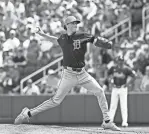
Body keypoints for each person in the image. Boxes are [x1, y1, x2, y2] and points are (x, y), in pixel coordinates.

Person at [14, 16, 120, 131]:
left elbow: (94, 39)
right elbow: (55, 40)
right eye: (73, 23)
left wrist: (103, 42)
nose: (76, 25)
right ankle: (27, 113)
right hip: (68, 74)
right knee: (56, 101)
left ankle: (107, 121)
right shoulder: (63, 38)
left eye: (76, 23)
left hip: (82, 73)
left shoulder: (82, 35)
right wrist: (43, 34)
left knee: (99, 91)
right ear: (67, 25)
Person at [108, 56, 136, 127]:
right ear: (117, 61)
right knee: (113, 105)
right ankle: (110, 121)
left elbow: (134, 76)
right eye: (119, 60)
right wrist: (110, 82)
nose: (120, 62)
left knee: (123, 105)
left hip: (123, 88)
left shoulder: (126, 68)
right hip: (115, 87)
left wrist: (128, 83)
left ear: (123, 61)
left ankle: (124, 122)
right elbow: (108, 74)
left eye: (121, 60)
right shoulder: (113, 68)